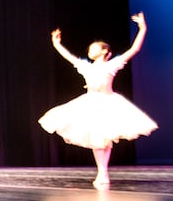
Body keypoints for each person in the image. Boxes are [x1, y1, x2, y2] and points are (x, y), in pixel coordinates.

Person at [39, 12, 158, 189]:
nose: (90, 50)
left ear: (105, 52)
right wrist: (56, 44)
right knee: (97, 138)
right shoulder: (85, 66)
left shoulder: (112, 64)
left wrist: (143, 28)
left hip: (108, 103)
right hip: (90, 103)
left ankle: (103, 172)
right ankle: (102, 171)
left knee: (104, 138)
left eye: (94, 48)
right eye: (90, 49)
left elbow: (134, 50)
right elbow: (69, 57)